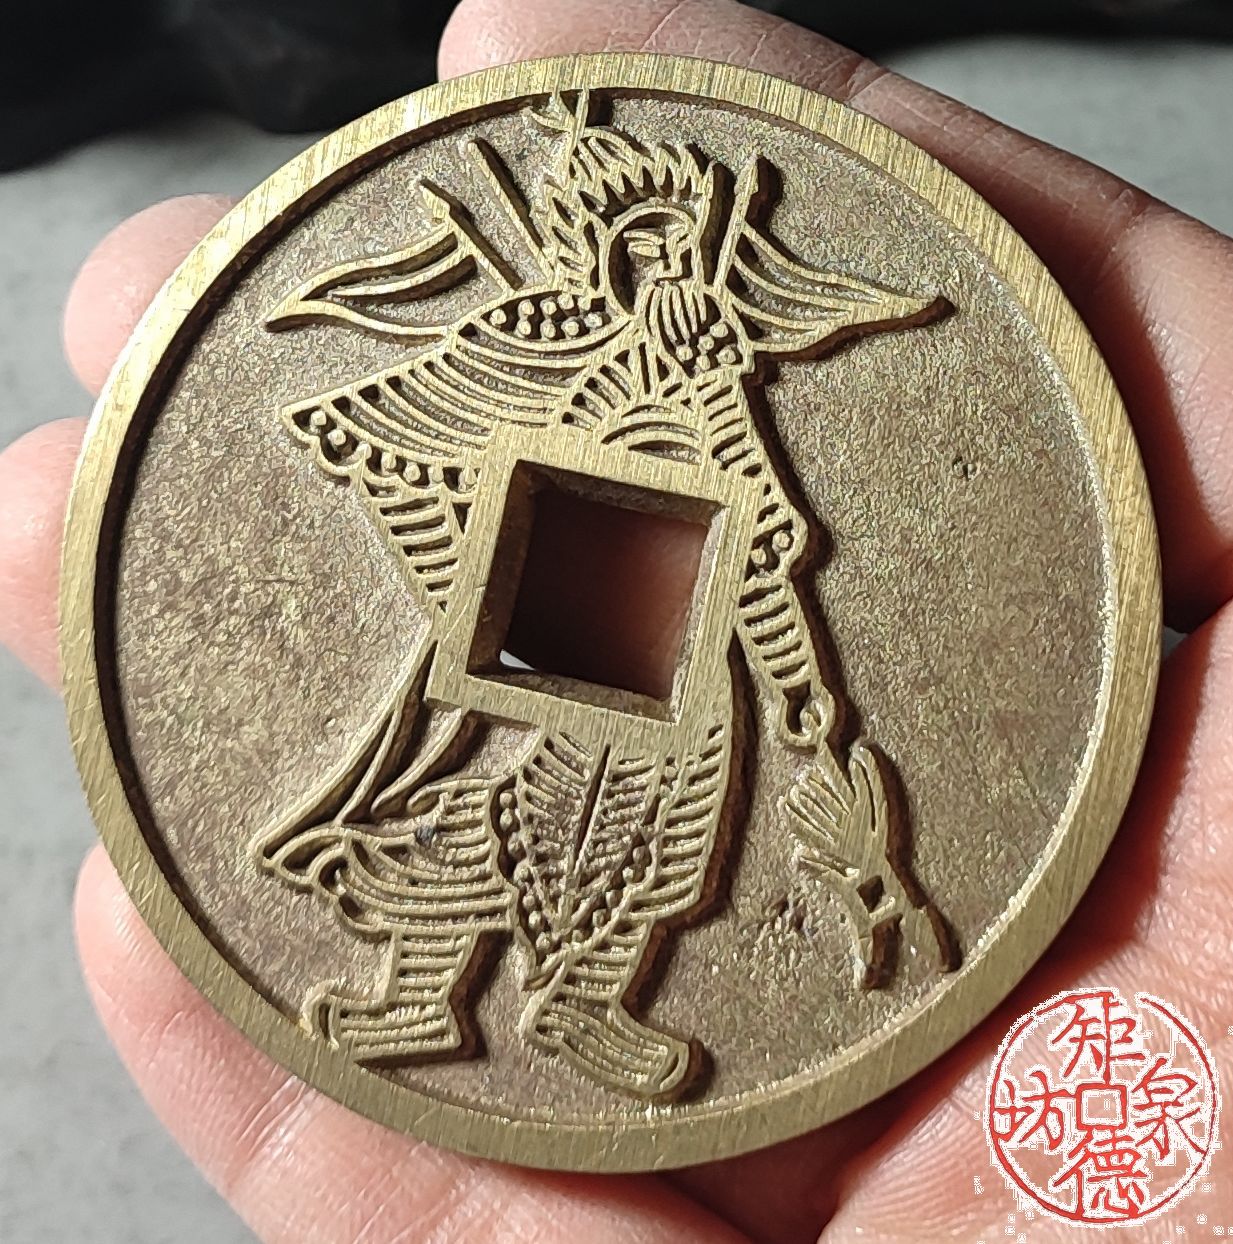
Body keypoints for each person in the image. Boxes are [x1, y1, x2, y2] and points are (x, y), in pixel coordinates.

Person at [1, 0, 1229, 1238]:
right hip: (517, 652)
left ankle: (586, 999)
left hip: (687, 661)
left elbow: (761, 515)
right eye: (639, 245)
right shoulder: (532, 336)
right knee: (470, 811)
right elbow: (375, 433)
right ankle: (419, 990)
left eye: (678, 244)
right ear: (594, 250)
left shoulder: (711, 365)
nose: (665, 268)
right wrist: (482, 556)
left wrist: (790, 647)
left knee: (665, 837)